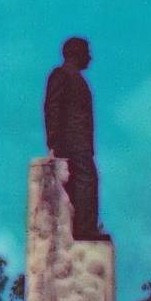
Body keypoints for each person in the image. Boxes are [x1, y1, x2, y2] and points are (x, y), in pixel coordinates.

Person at [44, 37, 108, 240]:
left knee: (83, 181)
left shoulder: (77, 78)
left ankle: (82, 227)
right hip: (71, 141)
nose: (90, 57)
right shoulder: (61, 74)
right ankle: (83, 229)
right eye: (86, 52)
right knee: (87, 178)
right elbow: (52, 107)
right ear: (76, 53)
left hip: (80, 142)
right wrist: (54, 140)